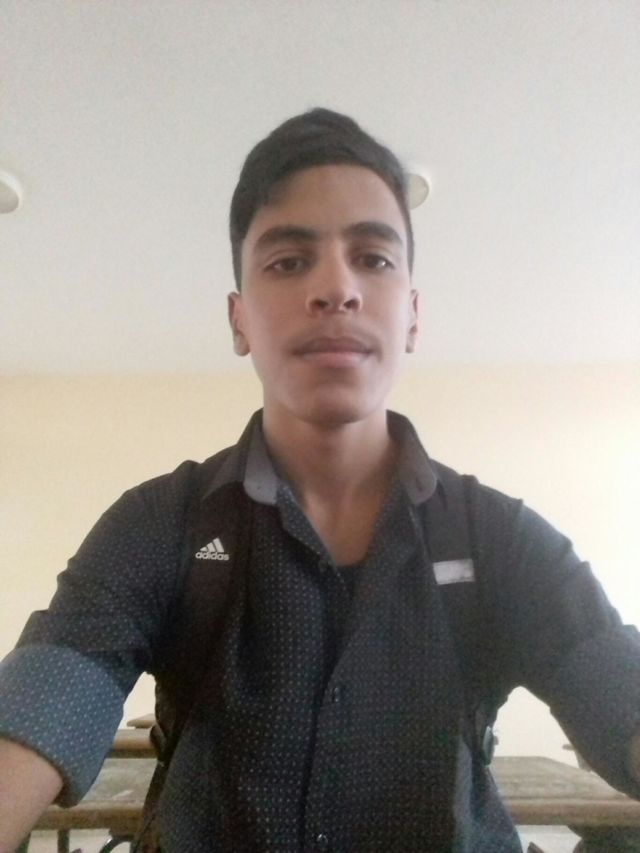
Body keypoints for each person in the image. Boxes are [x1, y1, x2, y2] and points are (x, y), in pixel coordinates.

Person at [1, 108, 640, 853]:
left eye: (373, 257)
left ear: (412, 315)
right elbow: (55, 685)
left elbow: (612, 683)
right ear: (239, 320)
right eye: (287, 261)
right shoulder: (158, 524)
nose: (336, 287)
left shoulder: (501, 538)